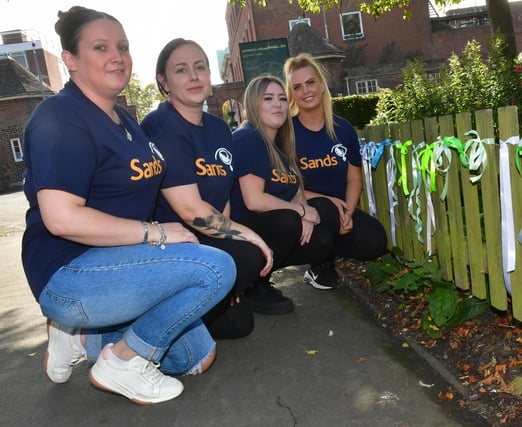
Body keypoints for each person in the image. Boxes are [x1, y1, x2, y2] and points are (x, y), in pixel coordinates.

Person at [21, 6, 236, 405]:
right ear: (70, 60)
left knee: (197, 357)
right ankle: (121, 362)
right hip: (68, 270)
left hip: (120, 264)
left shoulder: (123, 117)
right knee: (214, 267)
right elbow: (61, 217)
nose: (116, 56)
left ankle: (83, 338)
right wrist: (155, 233)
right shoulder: (61, 118)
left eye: (122, 46)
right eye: (100, 47)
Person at [141, 38, 292, 338]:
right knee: (251, 254)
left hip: (204, 236)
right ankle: (155, 313)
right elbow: (190, 209)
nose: (194, 76)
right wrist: (248, 238)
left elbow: (221, 198)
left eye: (200, 67)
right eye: (181, 70)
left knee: (239, 326)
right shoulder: (161, 124)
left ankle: (214, 293)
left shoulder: (219, 128)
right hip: (171, 244)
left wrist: (230, 265)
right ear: (164, 81)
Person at [283, 53, 388, 289]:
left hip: (340, 210)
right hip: (304, 213)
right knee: (325, 209)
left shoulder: (343, 128)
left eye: (310, 82)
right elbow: (288, 188)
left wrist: (349, 212)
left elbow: (353, 177)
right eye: (297, 87)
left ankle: (329, 243)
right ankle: (320, 265)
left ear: (321, 85)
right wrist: (329, 201)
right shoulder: (286, 133)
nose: (306, 91)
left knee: (375, 241)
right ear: (291, 94)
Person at [229, 74, 335, 292]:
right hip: (240, 232)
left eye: (282, 98)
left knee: (322, 237)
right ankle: (252, 283)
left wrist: (304, 209)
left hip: (270, 225)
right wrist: (300, 212)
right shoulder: (248, 138)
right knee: (289, 221)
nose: (277, 104)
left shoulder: (279, 144)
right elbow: (254, 201)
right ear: (253, 103)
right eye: (268, 99)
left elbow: (296, 190)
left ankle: (262, 275)